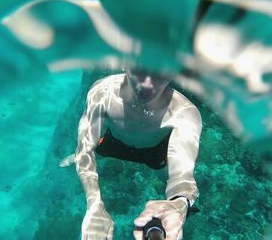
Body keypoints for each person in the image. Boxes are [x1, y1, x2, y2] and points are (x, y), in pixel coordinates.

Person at [62, 69, 202, 240]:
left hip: (154, 153)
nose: (148, 84)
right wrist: (94, 206)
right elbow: (86, 149)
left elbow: (182, 178)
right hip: (114, 143)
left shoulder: (184, 113)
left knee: (172, 185)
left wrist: (179, 205)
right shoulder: (102, 92)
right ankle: (75, 157)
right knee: (85, 153)